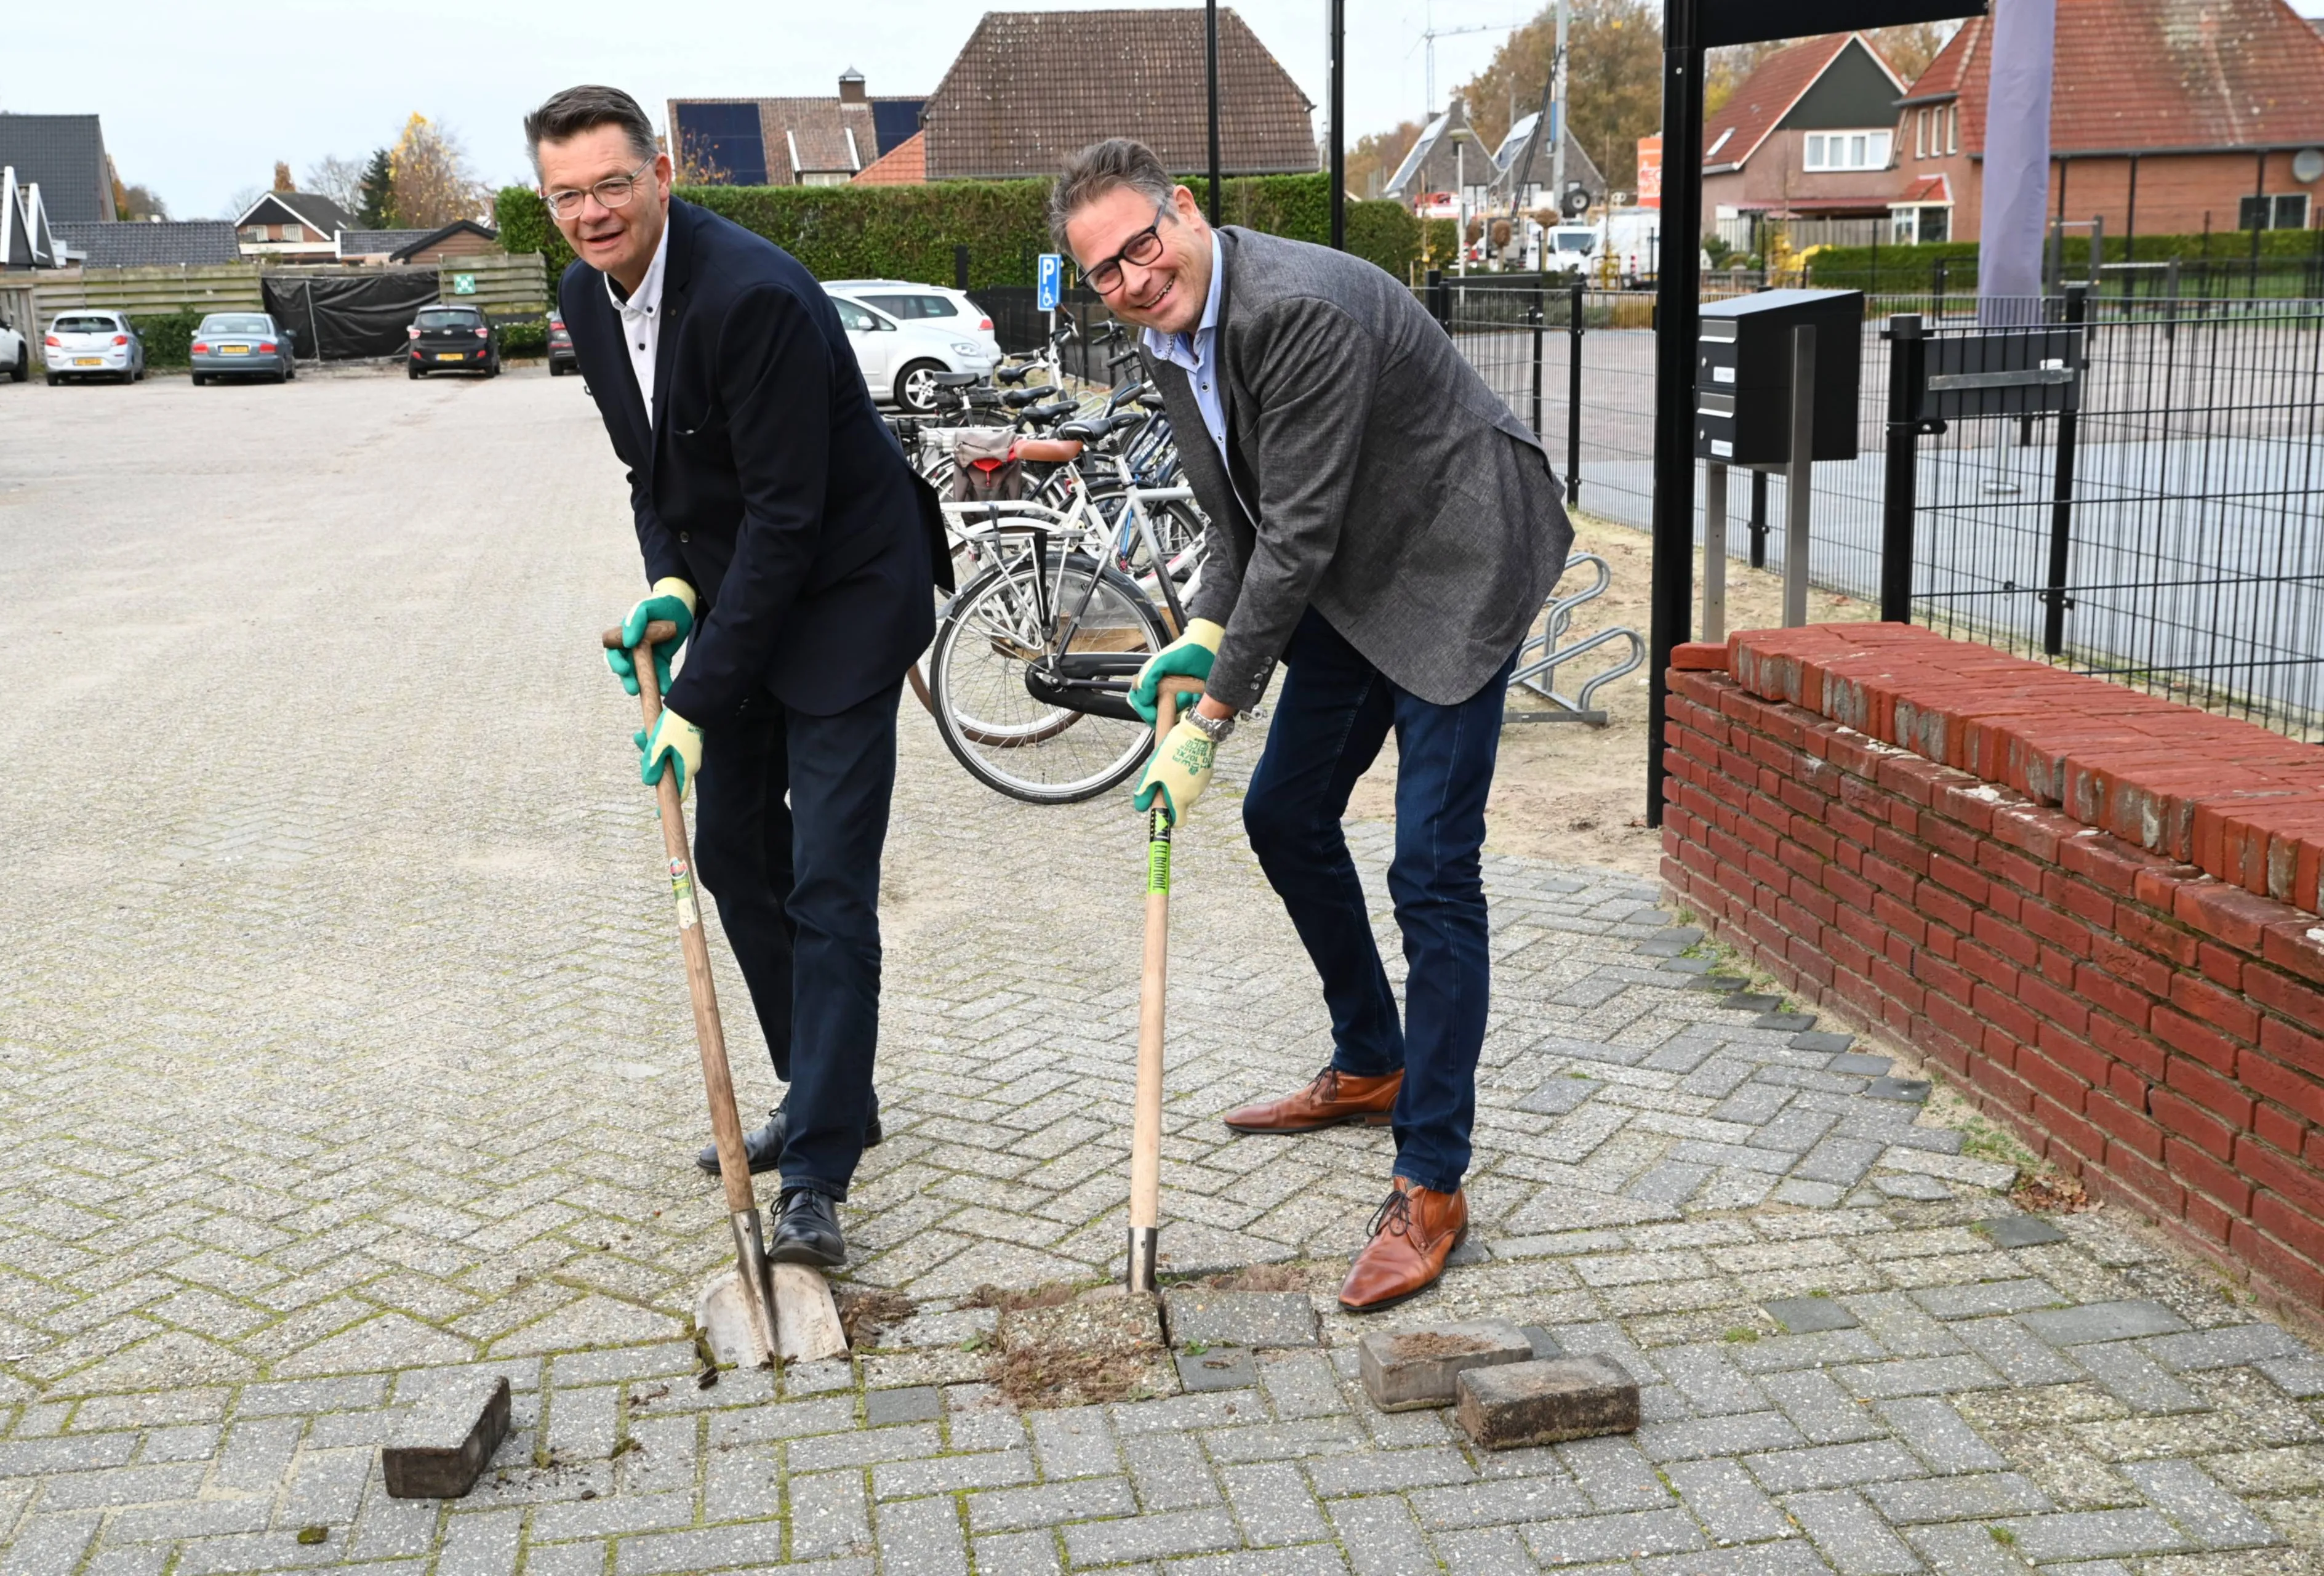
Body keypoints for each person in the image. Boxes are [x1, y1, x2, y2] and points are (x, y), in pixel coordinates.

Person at [1052, 139, 1573, 1312]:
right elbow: (1242, 524)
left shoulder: (1297, 312)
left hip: (1457, 558)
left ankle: (1432, 1177)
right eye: (1105, 272)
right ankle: (1373, 1058)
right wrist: (1200, 630)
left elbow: (1297, 534)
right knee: (1284, 813)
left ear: (1184, 211)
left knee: (1432, 872)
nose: (1132, 278)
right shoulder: (1170, 341)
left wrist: (1215, 710)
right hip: (1351, 568)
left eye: (1141, 245)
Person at [527, 84, 950, 1268]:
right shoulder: (586, 299)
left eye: (613, 183)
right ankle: (830, 1087)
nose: (593, 212)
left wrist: (700, 698)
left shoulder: (753, 296)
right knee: (731, 857)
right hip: (743, 602)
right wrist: (668, 587)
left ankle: (818, 1166)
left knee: (827, 883)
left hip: (847, 598)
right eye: (568, 194)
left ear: (660, 172)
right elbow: (650, 474)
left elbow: (785, 518)